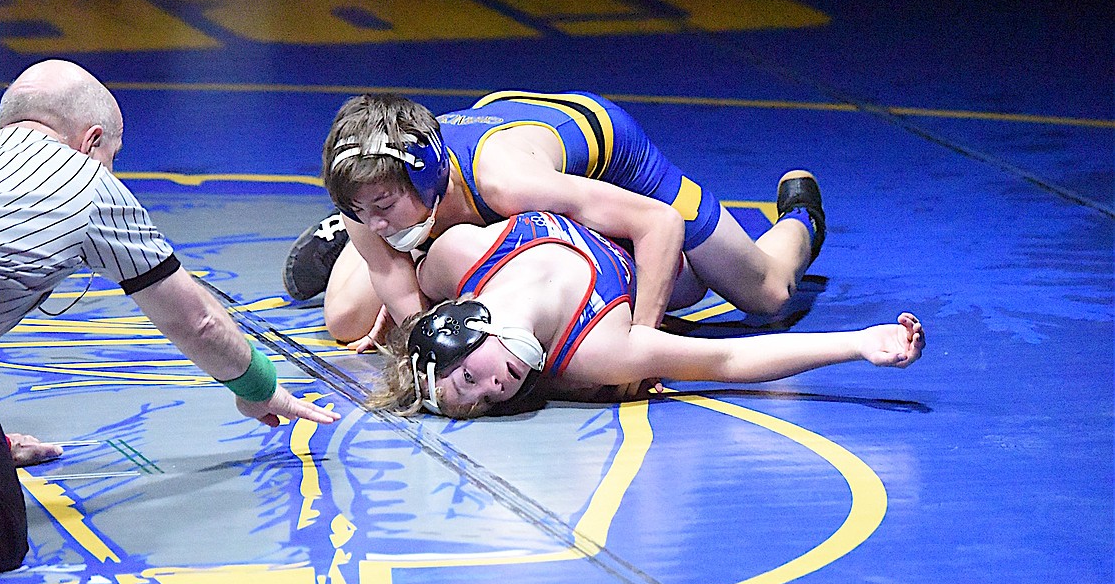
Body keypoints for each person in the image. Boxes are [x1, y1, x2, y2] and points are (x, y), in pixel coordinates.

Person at [0, 59, 339, 582]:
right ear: (92, 140)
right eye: (114, 156)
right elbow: (196, 322)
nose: (113, 169)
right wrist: (260, 387)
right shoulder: (88, 183)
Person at [283, 92, 826, 350]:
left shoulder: (508, 182)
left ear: (425, 181)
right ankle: (373, 239)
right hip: (478, 166)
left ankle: (799, 220)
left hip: (612, 158)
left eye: (381, 207)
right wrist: (417, 327)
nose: (371, 221)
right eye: (357, 212)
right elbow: (417, 325)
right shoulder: (364, 194)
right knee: (348, 321)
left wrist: (641, 342)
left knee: (767, 295)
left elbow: (659, 223)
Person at [366, 211, 924, 418]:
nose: (496, 387)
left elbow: (396, 251)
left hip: (646, 204)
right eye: (487, 402)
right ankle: (802, 220)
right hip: (671, 268)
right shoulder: (599, 350)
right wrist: (856, 343)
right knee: (772, 292)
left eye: (470, 378)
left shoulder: (453, 259)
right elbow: (727, 358)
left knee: (349, 305)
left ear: (459, 325)